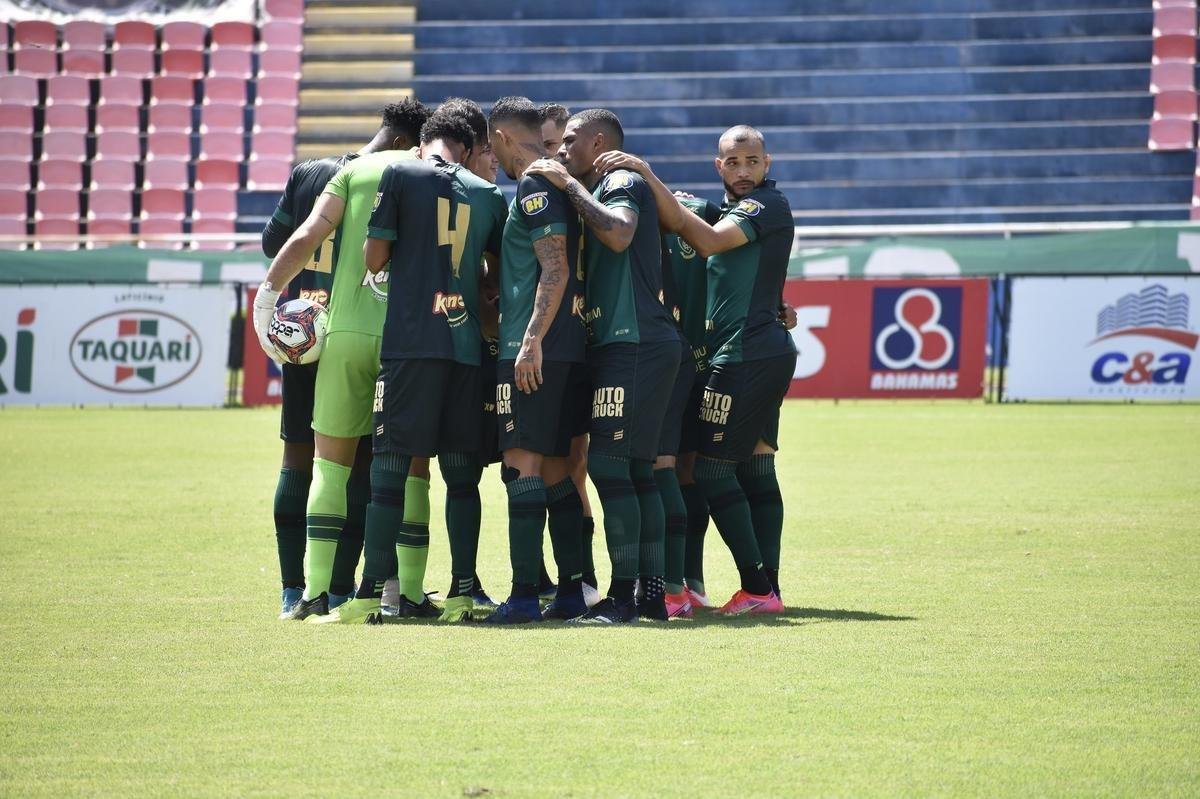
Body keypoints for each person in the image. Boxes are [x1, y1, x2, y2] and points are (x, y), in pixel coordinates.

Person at [592, 125, 796, 615]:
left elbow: (705, 242)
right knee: (745, 463)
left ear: (768, 163)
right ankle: (745, 588)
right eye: (733, 162)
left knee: (706, 469)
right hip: (740, 350)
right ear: (718, 166)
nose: (743, 171)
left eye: (752, 161)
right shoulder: (721, 208)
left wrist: (643, 171)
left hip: (746, 353)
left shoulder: (765, 206)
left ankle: (757, 588)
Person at [316, 110, 507, 625]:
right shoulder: (489, 195)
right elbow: (498, 274)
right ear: (467, 150)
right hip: (465, 347)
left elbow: (374, 258)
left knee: (389, 473)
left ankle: (368, 597)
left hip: (410, 345)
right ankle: (463, 594)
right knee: (462, 478)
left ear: (424, 144)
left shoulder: (401, 173)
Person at [253, 99, 429, 620]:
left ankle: (293, 589)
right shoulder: (401, 176)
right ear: (406, 143)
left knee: (299, 457)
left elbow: (273, 243)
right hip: (362, 326)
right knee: (365, 466)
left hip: (304, 333)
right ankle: (343, 585)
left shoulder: (310, 172)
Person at [526, 109, 681, 624]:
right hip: (634, 341)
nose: (562, 150)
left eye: (570, 141)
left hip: (633, 340)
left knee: (612, 468)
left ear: (597, 142)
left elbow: (618, 234)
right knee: (636, 471)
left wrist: (568, 183)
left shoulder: (618, 178)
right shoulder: (605, 183)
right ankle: (650, 596)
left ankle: (623, 595)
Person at [476, 96, 589, 625]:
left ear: (498, 137)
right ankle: (570, 592)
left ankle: (523, 596)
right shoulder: (555, 183)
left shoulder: (535, 185)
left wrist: (528, 340)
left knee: (520, 466)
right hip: (569, 348)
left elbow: (556, 269)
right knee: (558, 473)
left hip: (538, 350)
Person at [540, 101, 600, 605]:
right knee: (546, 466)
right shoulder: (542, 194)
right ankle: (553, 576)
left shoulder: (592, 193)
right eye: (547, 145)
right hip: (564, 345)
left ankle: (580, 577)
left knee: (571, 465)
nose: (557, 153)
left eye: (562, 142)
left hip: (582, 346)